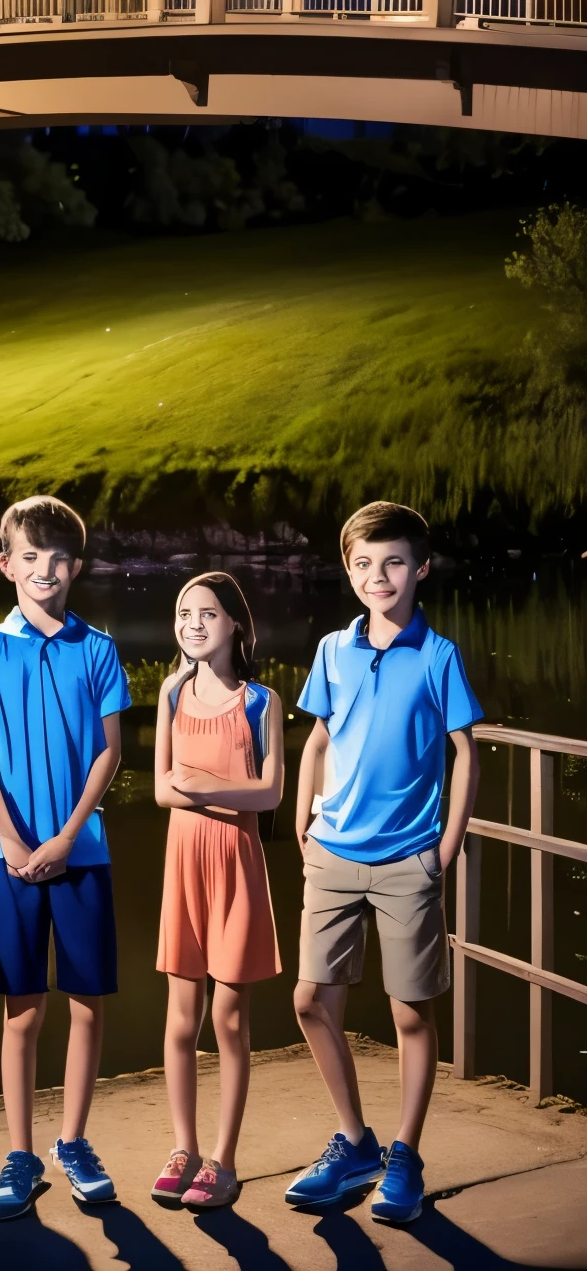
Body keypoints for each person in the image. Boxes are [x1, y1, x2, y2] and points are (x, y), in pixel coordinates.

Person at [286, 500, 482, 1225]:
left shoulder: (438, 655)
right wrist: (304, 819)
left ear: (421, 568)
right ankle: (355, 1140)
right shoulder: (334, 650)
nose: (380, 576)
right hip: (332, 852)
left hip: (409, 858)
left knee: (409, 1012)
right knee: (310, 1001)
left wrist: (446, 847)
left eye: (394, 562)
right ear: (349, 569)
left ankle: (405, 1153)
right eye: (365, 564)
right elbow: (317, 739)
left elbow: (464, 755)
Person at [0, 495, 131, 1220]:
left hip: (81, 854)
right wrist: (20, 841)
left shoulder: (98, 648)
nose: (45, 570)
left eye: (58, 559)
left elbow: (110, 753)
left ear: (77, 567)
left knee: (87, 1006)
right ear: (7, 564)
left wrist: (64, 838)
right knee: (21, 1012)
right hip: (8, 858)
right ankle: (21, 1154)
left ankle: (73, 1143)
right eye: (30, 557)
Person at [151, 573, 283, 1210]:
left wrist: (199, 785)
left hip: (236, 862)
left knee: (229, 1019)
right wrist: (202, 787)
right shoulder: (171, 695)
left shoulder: (262, 702)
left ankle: (224, 1160)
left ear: (235, 623)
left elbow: (271, 794)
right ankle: (184, 1147)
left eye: (207, 613)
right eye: (184, 613)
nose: (193, 624)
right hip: (184, 861)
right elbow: (158, 789)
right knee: (182, 1018)